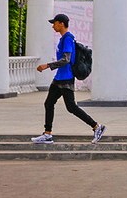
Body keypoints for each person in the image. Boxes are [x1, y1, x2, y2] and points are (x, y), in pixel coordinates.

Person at [32, 14, 105, 144]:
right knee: (49, 103)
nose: (53, 26)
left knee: (71, 107)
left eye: (54, 23)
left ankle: (96, 126)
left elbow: (66, 60)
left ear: (61, 24)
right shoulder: (63, 39)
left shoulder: (68, 38)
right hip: (59, 78)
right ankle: (47, 134)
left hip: (66, 78)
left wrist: (47, 65)